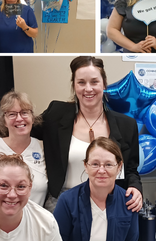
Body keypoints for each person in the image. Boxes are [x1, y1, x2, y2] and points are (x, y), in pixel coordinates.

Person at [31, 56, 143, 212]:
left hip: (108, 203)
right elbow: (22, 130)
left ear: (104, 84)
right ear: (74, 86)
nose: (88, 88)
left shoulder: (126, 125)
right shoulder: (56, 114)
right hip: (63, 204)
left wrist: (135, 188)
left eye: (94, 82)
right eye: (81, 82)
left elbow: (131, 169)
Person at [0, 90, 47, 206]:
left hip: (36, 221)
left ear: (33, 118)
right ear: (3, 121)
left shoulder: (44, 148)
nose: (19, 118)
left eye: (24, 112)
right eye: (12, 114)